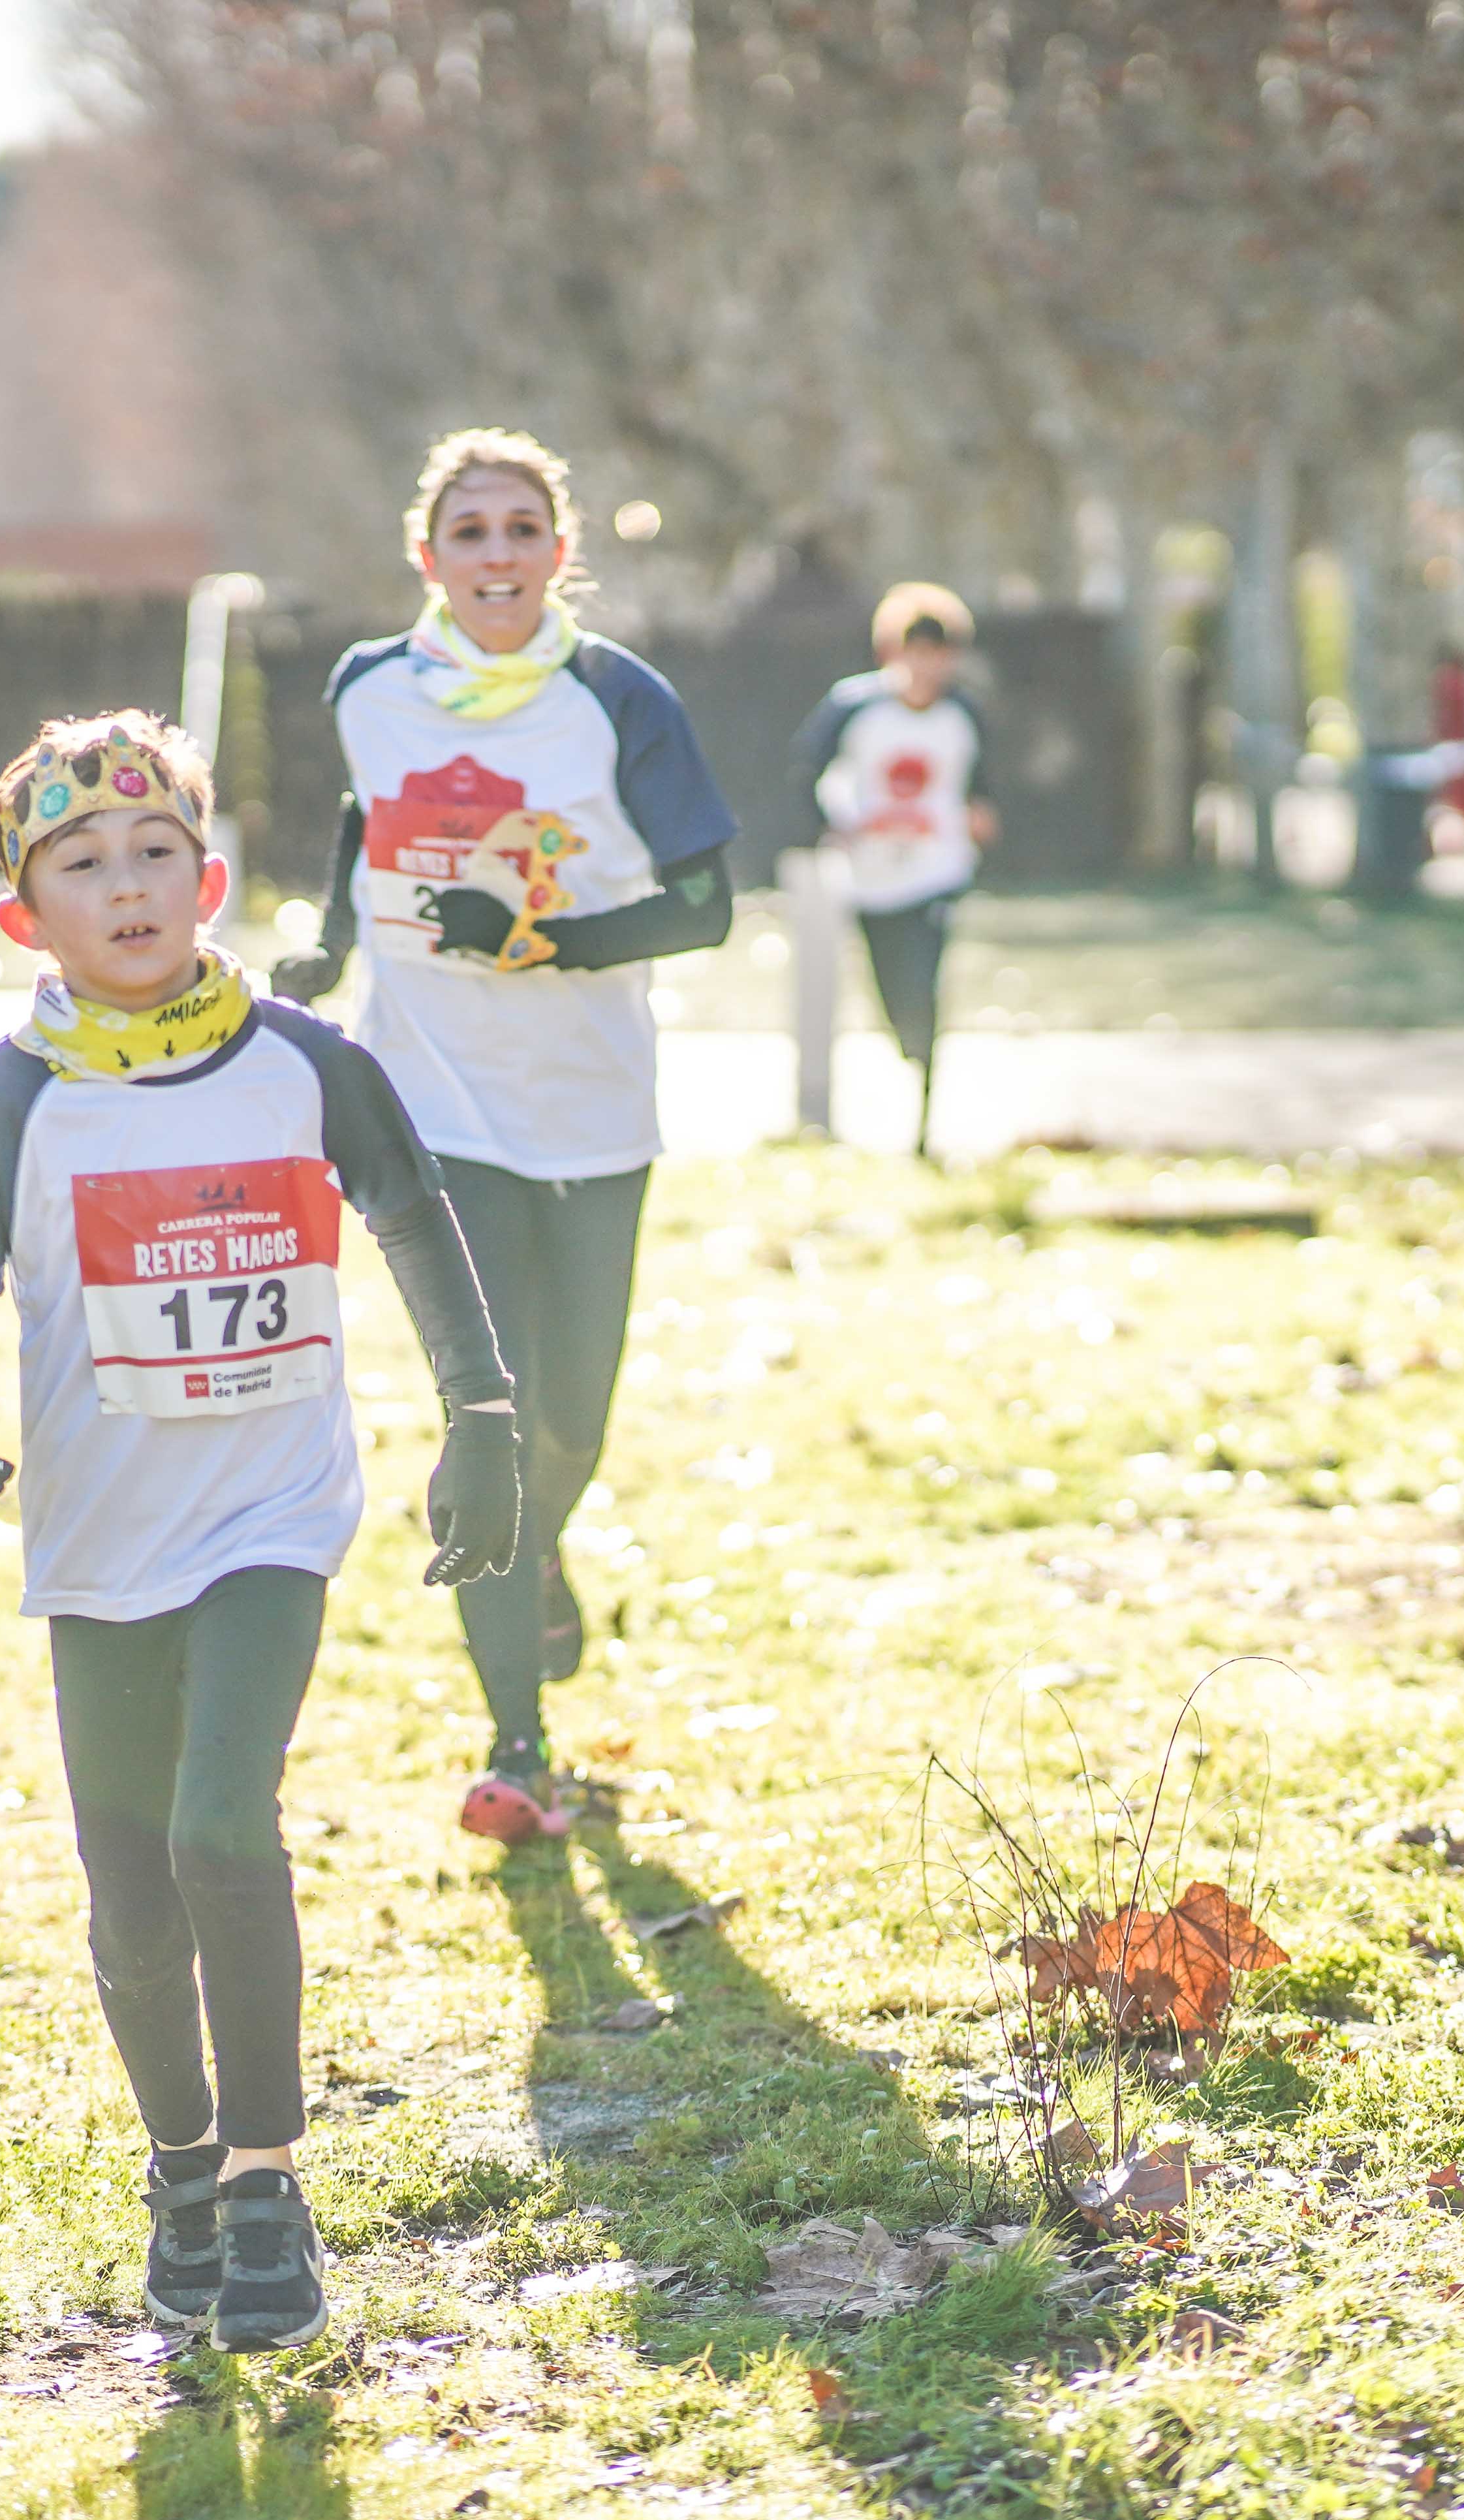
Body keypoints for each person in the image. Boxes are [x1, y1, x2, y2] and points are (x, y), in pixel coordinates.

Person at [0, 709, 523, 2354]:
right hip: (98, 1540)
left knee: (221, 1829)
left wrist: (485, 1417)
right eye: (84, 863)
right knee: (127, 1882)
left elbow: (417, 1222)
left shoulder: (305, 1063)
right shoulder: (11, 1101)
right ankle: (178, 2165)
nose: (129, 883)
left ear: (212, 877)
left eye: (157, 852)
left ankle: (266, 2184)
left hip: (269, 1514)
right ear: (29, 918)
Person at [270, 428, 738, 1846]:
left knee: (570, 1420)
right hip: (429, 1101)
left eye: (518, 529)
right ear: (428, 556)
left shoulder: (616, 699)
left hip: (592, 1107)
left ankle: (538, 1561)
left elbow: (707, 903)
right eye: (466, 532)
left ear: (559, 551)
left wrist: (540, 939)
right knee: (490, 1412)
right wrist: (329, 943)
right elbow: (363, 824)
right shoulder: (370, 687)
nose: (494, 555)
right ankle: (515, 1743)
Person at [788, 582, 997, 1158]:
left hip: (938, 871)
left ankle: (925, 1123)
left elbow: (979, 783)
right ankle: (907, 1061)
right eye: (918, 649)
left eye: (941, 652)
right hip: (871, 875)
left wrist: (981, 815)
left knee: (925, 988)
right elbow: (808, 770)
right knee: (890, 993)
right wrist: (834, 827)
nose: (929, 665)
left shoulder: (963, 713)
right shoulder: (855, 708)